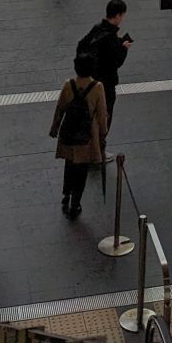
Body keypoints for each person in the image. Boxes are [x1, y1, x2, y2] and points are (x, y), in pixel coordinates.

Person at [49, 50, 109, 219]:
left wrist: (54, 128)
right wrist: (103, 133)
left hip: (69, 131)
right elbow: (102, 113)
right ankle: (76, 202)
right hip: (87, 134)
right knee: (81, 169)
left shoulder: (69, 84)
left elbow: (60, 107)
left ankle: (66, 194)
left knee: (69, 164)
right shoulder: (97, 87)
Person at [77, 0, 131, 124]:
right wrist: (123, 48)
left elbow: (81, 45)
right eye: (122, 16)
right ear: (117, 15)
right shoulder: (110, 38)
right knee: (103, 118)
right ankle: (99, 141)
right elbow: (116, 62)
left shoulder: (97, 29)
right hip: (106, 85)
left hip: (90, 80)